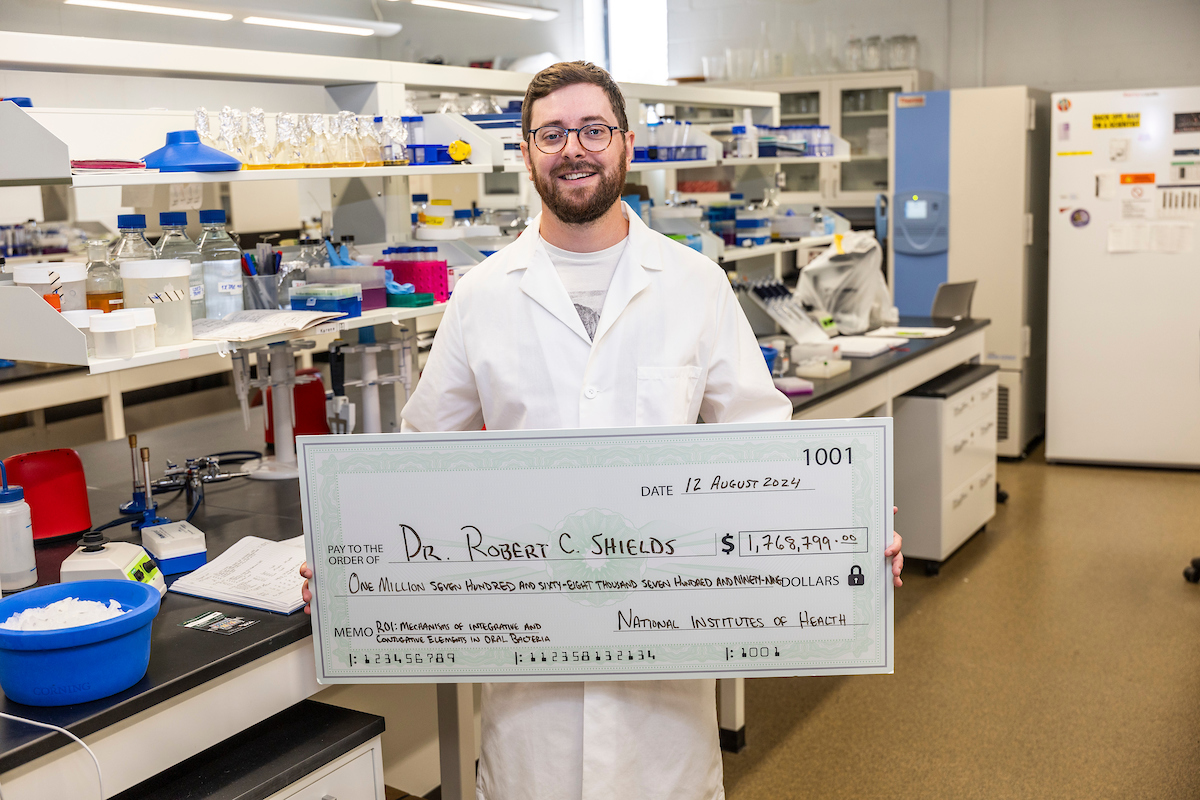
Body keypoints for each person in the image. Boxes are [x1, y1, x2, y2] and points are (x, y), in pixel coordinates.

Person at [301, 60, 903, 800]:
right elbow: (420, 463)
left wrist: (849, 531)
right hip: (531, 683)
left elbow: (767, 450)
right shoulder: (482, 295)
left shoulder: (695, 284)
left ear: (625, 144)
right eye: (551, 133)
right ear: (526, 153)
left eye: (593, 129)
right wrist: (348, 557)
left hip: (666, 681)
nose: (573, 149)